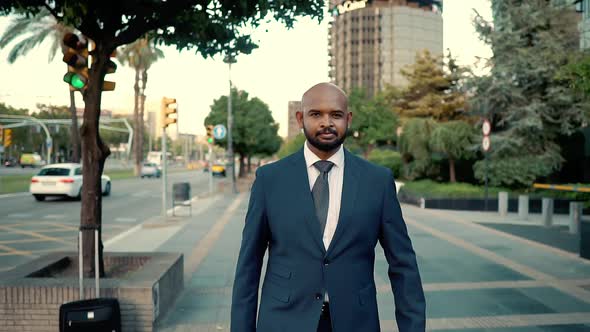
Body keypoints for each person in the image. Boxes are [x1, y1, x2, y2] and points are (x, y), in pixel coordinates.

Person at [231, 82, 425, 332]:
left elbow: (403, 265)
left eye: (336, 115)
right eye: (316, 114)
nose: (326, 123)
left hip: (356, 322)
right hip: (283, 321)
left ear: (349, 119)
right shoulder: (270, 179)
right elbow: (248, 266)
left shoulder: (377, 181)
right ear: (300, 118)